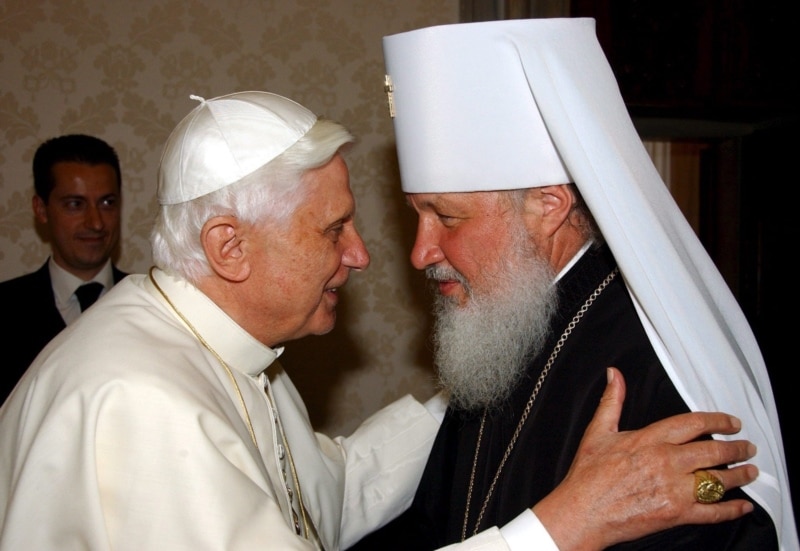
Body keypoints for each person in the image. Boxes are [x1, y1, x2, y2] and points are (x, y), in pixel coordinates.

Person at [0, 91, 760, 551]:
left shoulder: (222, 354)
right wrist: (563, 526)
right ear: (229, 247)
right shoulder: (141, 403)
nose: (366, 255)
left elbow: (330, 495)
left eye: (444, 214)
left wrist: (479, 374)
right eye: (333, 230)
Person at [351, 18, 799, 551]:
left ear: (548, 207)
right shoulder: (498, 334)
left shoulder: (649, 372)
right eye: (417, 215)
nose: (421, 252)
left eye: (446, 217)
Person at [0, 134, 128, 403]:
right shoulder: (3, 309)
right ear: (41, 209)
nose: (96, 222)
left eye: (107, 203)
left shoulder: (155, 306)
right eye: (75, 204)